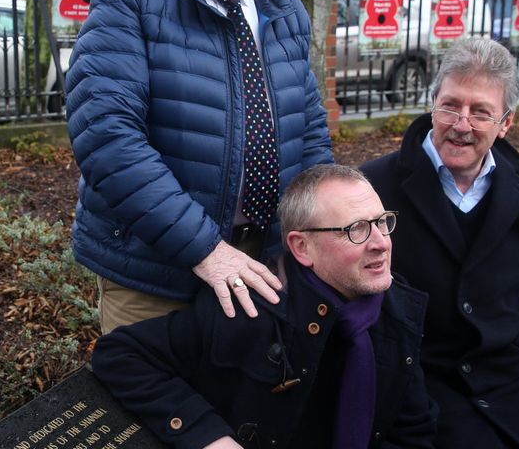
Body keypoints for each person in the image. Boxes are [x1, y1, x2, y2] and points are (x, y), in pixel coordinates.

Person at [65, 0, 333, 334]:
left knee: (246, 409)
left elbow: (311, 141)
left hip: (262, 264)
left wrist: (309, 242)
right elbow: (106, 137)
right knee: (154, 411)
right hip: (156, 275)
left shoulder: (285, 12)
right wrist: (205, 250)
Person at [359, 36, 519, 449]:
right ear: (433, 103)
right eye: (451, 105)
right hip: (421, 382)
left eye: (480, 112)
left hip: (514, 374)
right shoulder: (373, 186)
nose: (461, 124)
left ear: (505, 123)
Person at [91, 164, 436, 449]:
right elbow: (120, 354)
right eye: (357, 230)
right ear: (302, 247)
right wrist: (209, 437)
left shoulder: (397, 310)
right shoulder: (251, 309)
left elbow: (413, 431)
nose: (380, 243)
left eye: (382, 222)